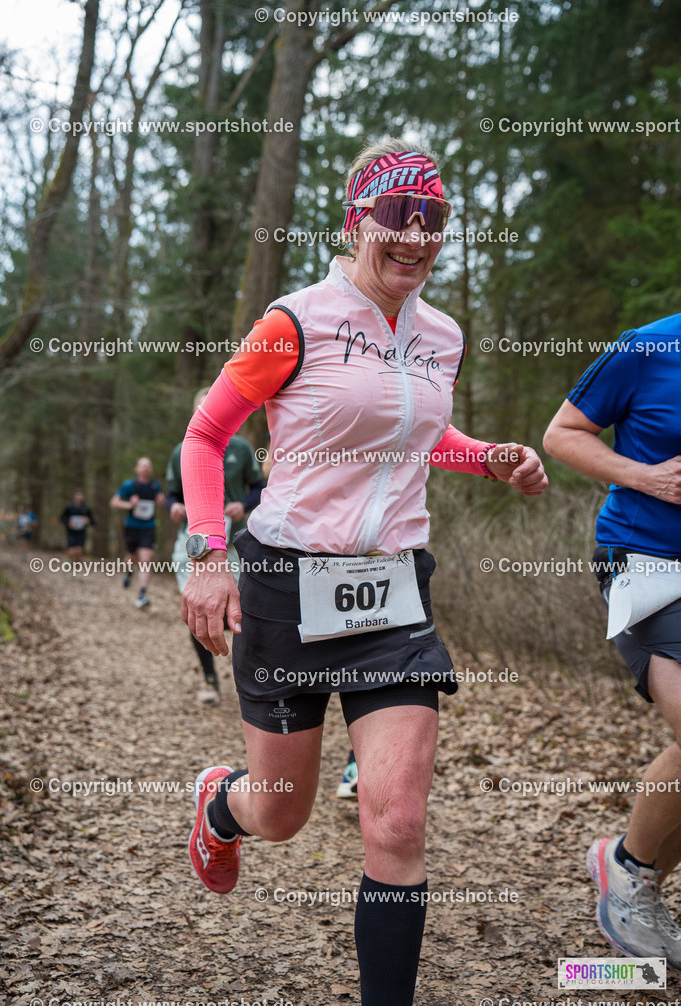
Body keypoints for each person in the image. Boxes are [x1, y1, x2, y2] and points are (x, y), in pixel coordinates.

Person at [181, 139, 548, 1006]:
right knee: (281, 812)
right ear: (358, 220)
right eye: (400, 218)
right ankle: (220, 805)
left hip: (391, 592)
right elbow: (205, 436)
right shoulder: (295, 322)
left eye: (435, 222)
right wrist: (206, 555)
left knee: (396, 820)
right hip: (284, 586)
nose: (417, 238)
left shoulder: (442, 336)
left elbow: (413, 440)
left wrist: (486, 456)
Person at [544, 312, 681, 970]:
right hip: (647, 563)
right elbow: (562, 434)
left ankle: (634, 869)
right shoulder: (649, 347)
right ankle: (631, 874)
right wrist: (644, 476)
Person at [166, 387, 265, 705]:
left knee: (238, 611)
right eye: (199, 408)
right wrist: (175, 506)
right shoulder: (182, 450)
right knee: (200, 606)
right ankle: (210, 682)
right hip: (192, 543)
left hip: (234, 543)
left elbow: (260, 488)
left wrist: (242, 504)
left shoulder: (241, 448)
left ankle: (248, 681)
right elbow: (170, 493)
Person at [110, 458, 165, 609]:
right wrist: (129, 504)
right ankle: (128, 573)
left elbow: (161, 500)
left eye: (149, 466)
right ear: (137, 469)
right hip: (132, 526)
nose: (146, 468)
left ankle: (142, 593)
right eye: (143, 466)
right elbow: (114, 502)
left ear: (151, 470)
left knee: (145, 559)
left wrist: (161, 500)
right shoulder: (130, 485)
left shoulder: (155, 485)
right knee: (132, 556)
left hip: (149, 526)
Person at [60, 489, 95, 564]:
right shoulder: (69, 508)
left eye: (80, 496)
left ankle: (76, 568)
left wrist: (88, 521)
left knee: (79, 550)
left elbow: (92, 521)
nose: (79, 498)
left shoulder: (86, 509)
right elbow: (62, 518)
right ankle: (70, 561)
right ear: (74, 497)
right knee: (71, 550)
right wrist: (68, 523)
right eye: (77, 496)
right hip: (71, 532)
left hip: (81, 532)